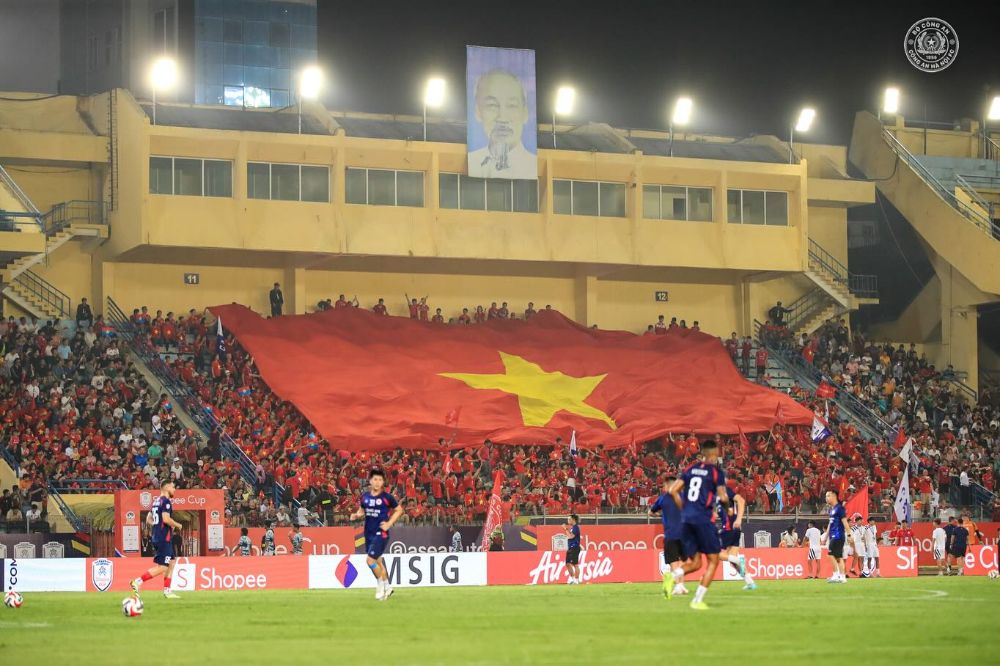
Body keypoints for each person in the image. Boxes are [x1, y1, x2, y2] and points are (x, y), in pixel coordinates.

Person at [664, 440, 729, 610]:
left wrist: (683, 508)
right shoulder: (715, 472)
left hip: (686, 520)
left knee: (696, 563)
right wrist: (728, 510)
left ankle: (672, 576)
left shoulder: (690, 469)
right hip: (703, 520)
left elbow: (672, 491)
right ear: (714, 454)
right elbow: (723, 497)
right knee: (714, 561)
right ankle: (697, 600)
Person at [468, 69, 535, 179]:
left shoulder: (532, 167)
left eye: (511, 105)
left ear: (525, 113)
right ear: (477, 112)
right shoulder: (471, 163)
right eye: (492, 105)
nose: (502, 118)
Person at [350, 468, 403, 601]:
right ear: (370, 481)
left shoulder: (387, 497)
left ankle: (380, 585)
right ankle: (388, 587)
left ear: (383, 482)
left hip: (381, 533)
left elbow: (399, 510)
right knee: (379, 562)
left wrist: (389, 524)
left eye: (380, 479)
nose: (378, 482)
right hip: (368, 533)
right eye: (375, 479)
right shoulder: (365, 497)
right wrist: (356, 515)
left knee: (370, 561)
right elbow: (362, 511)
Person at [130, 480, 182, 599]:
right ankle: (137, 582)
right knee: (163, 566)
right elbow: (166, 519)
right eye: (173, 487)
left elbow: (149, 518)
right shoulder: (166, 501)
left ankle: (167, 591)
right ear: (167, 487)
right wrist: (178, 525)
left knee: (172, 563)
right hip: (164, 537)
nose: (174, 490)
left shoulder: (156, 501)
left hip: (158, 536)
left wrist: (157, 526)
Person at [648, 476, 689, 597]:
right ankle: (680, 586)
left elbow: (651, 512)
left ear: (667, 486)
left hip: (670, 535)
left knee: (673, 563)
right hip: (684, 534)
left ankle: (677, 586)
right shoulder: (684, 497)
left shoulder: (663, 499)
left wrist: (660, 514)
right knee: (681, 562)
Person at [717, 483, 757, 590]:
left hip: (729, 528)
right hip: (735, 529)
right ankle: (750, 582)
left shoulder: (723, 489)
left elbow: (741, 500)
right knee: (732, 560)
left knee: (715, 553)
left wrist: (739, 519)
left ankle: (738, 560)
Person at [820, 490, 849, 583]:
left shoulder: (840, 508)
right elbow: (830, 524)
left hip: (838, 535)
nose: (826, 498)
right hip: (833, 536)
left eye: (828, 496)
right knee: (838, 557)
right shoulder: (832, 510)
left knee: (830, 554)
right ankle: (843, 577)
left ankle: (836, 575)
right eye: (826, 496)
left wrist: (849, 534)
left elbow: (845, 522)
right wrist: (825, 537)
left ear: (834, 496)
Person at [563, 514, 582, 585]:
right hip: (570, 548)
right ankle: (573, 579)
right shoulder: (572, 528)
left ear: (573, 520)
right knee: (567, 564)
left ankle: (576, 580)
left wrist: (565, 529)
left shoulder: (576, 527)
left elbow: (571, 536)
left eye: (569, 519)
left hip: (574, 547)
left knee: (575, 564)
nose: (568, 521)